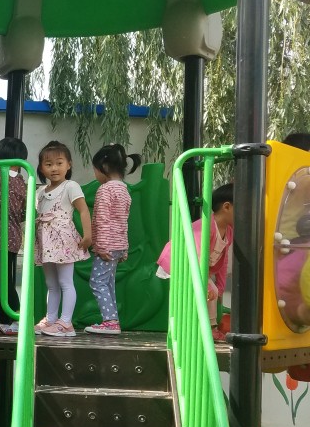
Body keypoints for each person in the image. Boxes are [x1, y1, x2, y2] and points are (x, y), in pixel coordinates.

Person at [156, 182, 234, 342]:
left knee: (212, 292)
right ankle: (190, 331)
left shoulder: (229, 231)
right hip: (180, 263)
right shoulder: (206, 227)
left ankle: (209, 329)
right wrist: (206, 285)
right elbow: (196, 256)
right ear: (226, 207)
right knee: (199, 293)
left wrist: (220, 287)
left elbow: (224, 259)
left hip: (197, 268)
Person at [34, 140, 92, 337]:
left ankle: (66, 323)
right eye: (48, 164)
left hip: (63, 241)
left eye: (59, 163)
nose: (54, 168)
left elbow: (83, 210)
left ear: (69, 164)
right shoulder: (40, 192)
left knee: (66, 282)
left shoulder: (70, 186)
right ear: (41, 168)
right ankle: (50, 319)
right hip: (46, 243)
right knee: (51, 284)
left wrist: (88, 235)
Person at [84, 144, 142, 335]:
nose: (95, 174)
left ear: (104, 167)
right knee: (108, 283)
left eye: (95, 169)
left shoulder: (105, 190)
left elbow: (102, 219)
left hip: (106, 246)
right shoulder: (124, 190)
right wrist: (124, 248)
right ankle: (112, 319)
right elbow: (123, 221)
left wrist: (100, 246)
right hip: (118, 246)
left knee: (97, 282)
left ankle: (110, 321)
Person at [0, 137, 28, 328]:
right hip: (13, 237)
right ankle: (9, 317)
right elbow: (24, 212)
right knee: (4, 278)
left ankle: (10, 317)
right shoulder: (22, 181)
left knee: (0, 280)